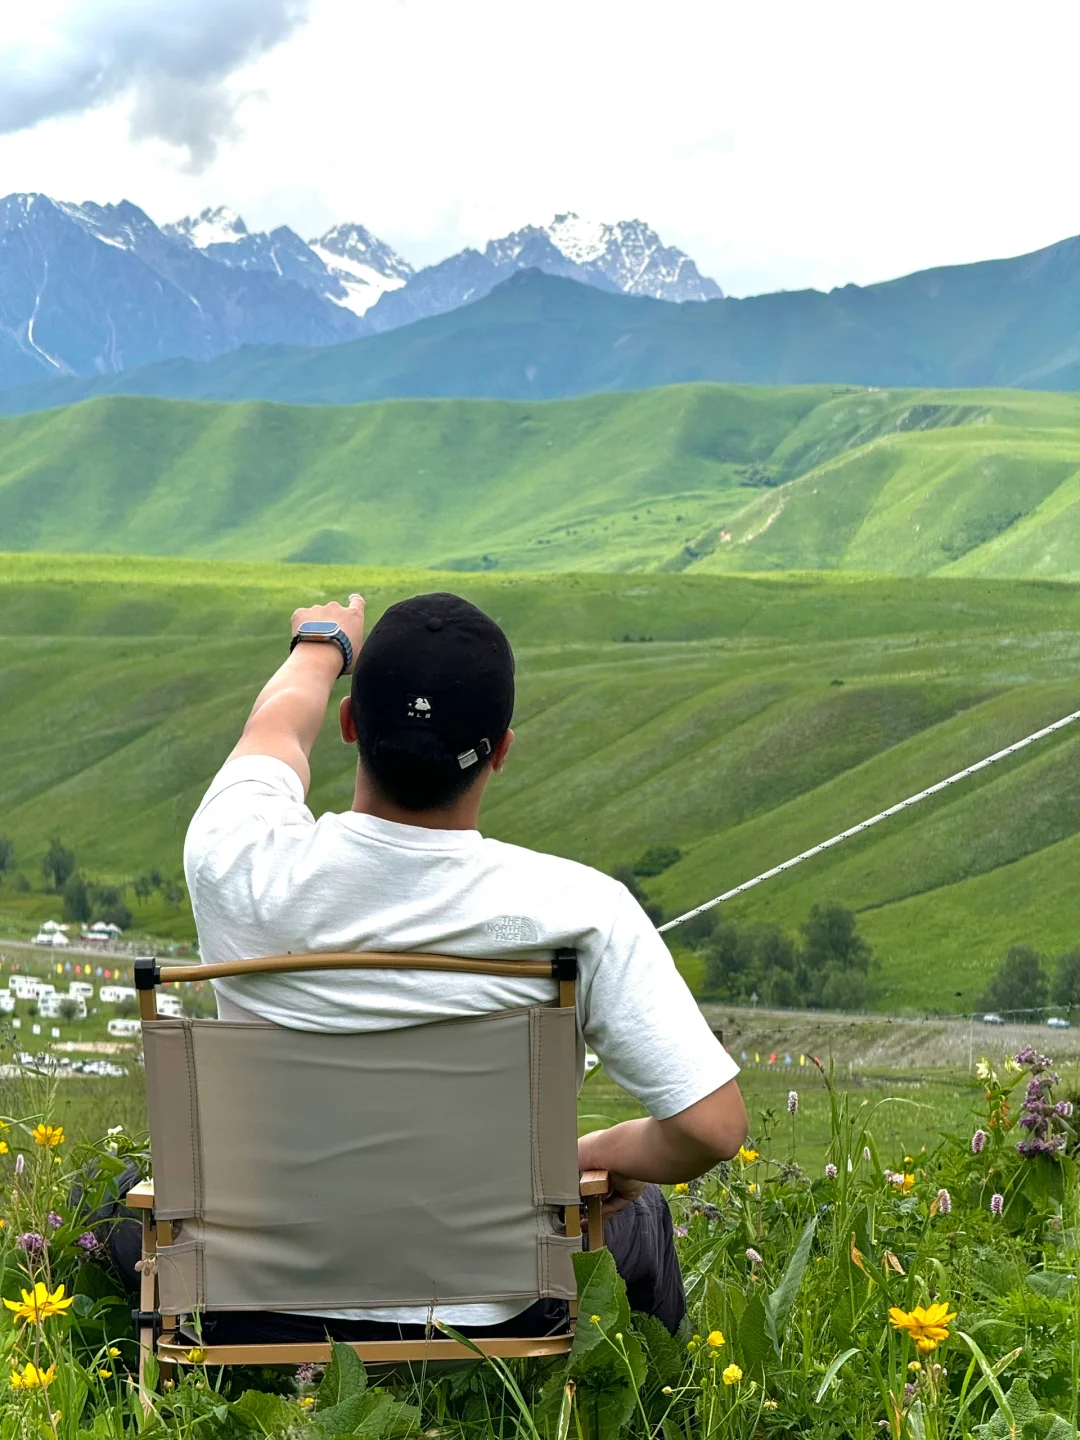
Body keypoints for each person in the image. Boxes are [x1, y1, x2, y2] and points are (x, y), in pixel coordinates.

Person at [182, 590, 748, 1342]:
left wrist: (321, 644)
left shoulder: (235, 857)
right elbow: (712, 1128)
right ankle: (633, 1398)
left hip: (254, 1300)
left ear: (350, 726)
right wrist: (586, 1155)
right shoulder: (581, 910)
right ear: (502, 750)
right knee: (643, 1219)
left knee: (116, 1206)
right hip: (499, 1308)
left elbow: (273, 732)